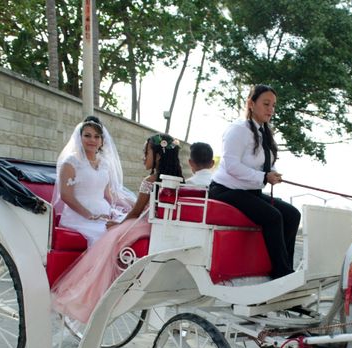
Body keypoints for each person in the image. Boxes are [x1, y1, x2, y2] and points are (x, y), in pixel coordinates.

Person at [51, 133, 184, 324]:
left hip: (143, 224)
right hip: (160, 227)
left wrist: (119, 224)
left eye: (145, 152)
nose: (142, 157)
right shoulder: (179, 181)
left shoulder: (150, 180)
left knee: (111, 235)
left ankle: (96, 290)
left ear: (158, 156)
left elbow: (136, 213)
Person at [209, 84, 301, 279]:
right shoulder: (238, 130)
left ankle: (285, 268)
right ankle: (281, 273)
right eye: (266, 104)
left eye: (273, 106)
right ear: (251, 104)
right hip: (226, 191)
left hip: (249, 192)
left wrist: (272, 174)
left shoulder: (263, 132)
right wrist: (263, 177)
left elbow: (264, 164)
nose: (271, 109)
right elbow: (231, 165)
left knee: (292, 214)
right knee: (273, 216)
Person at [52, 115, 136, 246]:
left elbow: (108, 195)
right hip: (78, 217)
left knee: (125, 230)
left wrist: (133, 205)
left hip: (103, 214)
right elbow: (66, 196)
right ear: (80, 138)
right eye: (87, 135)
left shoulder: (105, 164)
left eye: (97, 136)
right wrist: (89, 215)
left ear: (102, 141)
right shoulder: (70, 163)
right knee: (104, 236)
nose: (92, 140)